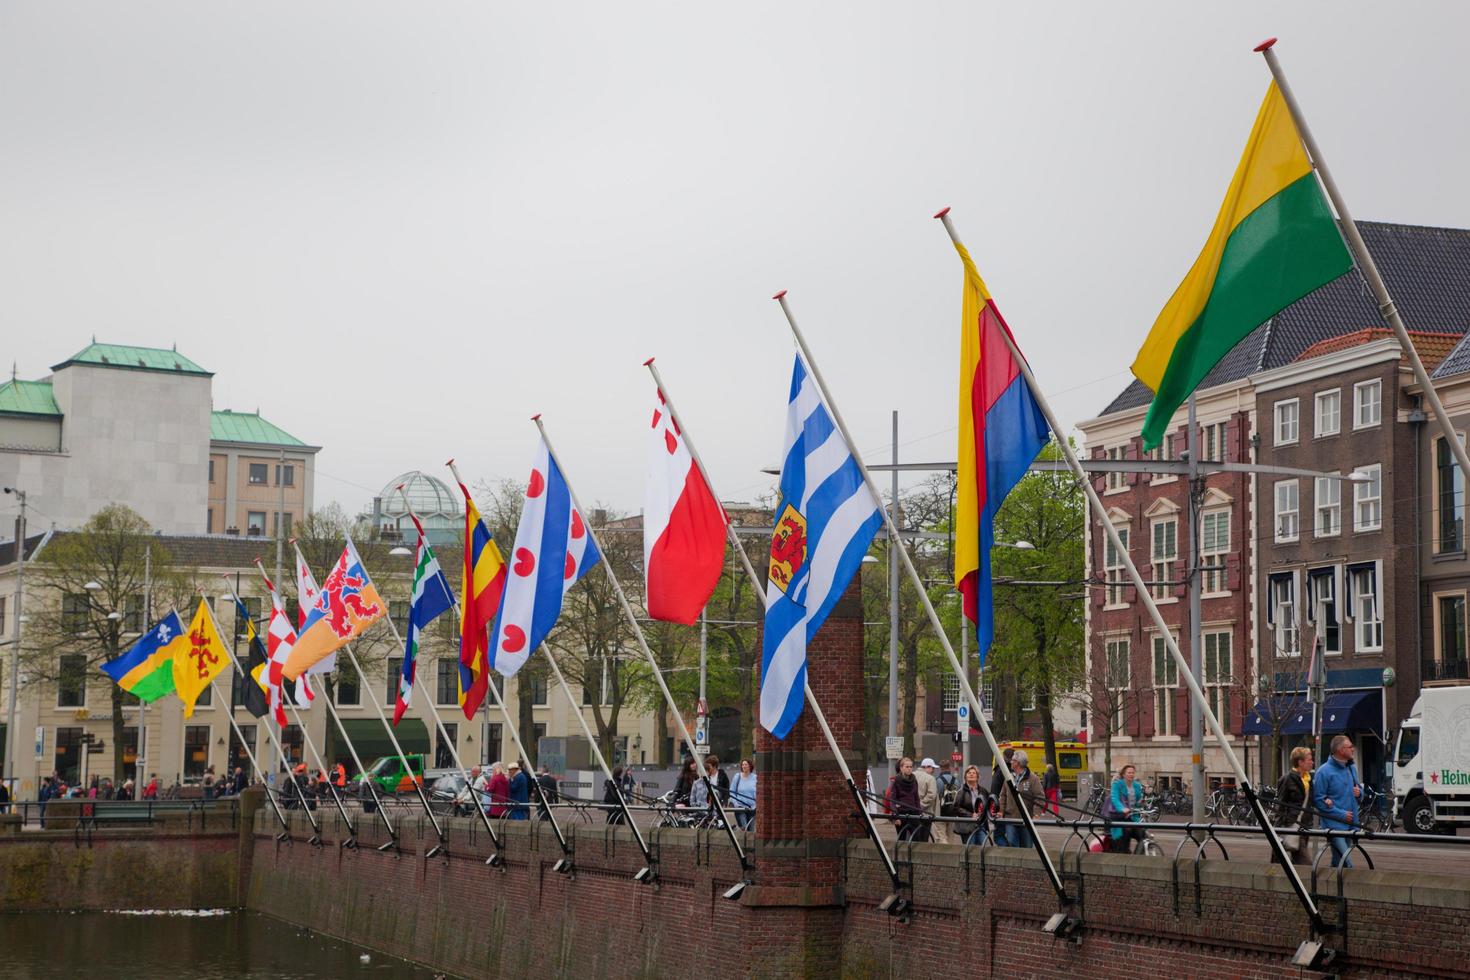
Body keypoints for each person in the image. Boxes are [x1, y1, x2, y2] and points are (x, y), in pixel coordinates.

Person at [1313, 735, 1361, 868]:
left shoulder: (1351, 768)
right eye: (1350, 747)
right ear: (1341, 750)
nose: (1353, 749)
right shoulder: (1323, 772)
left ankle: (1328, 884)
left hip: (1350, 824)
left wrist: (1359, 793)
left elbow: (1359, 791)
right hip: (1334, 825)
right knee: (1347, 861)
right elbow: (1318, 800)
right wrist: (1340, 814)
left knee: (1338, 860)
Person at [1275, 746, 1315, 865]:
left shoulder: (1309, 779)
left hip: (1305, 824)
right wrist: (1278, 828)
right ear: (1300, 762)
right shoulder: (1287, 779)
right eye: (1309, 759)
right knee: (1305, 863)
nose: (1312, 762)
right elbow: (1280, 804)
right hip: (1292, 824)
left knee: (1296, 860)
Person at [999, 750, 1044, 849]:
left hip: (1026, 820)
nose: (1010, 762)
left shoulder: (1033, 779)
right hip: (1010, 818)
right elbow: (1003, 795)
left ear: (1018, 763)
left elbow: (1040, 797)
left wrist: (1036, 814)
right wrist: (1001, 811)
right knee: (1011, 844)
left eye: (1012, 760)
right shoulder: (1008, 777)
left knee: (1026, 846)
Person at [1107, 764, 1146, 853]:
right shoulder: (1117, 784)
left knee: (1143, 835)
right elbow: (1114, 798)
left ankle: (1138, 858)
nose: (1131, 774)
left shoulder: (1136, 785)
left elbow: (1138, 801)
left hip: (1133, 817)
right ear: (1124, 774)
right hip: (1120, 817)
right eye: (1129, 773)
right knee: (1125, 833)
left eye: (1132, 773)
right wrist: (1122, 808)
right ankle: (1124, 856)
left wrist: (1141, 804)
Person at [888, 757, 926, 842]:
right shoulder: (896, 781)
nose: (909, 769)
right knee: (902, 839)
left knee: (917, 838)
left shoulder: (914, 780)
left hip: (913, 813)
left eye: (910, 767)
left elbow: (916, 798)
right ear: (901, 768)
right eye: (907, 767)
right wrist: (896, 816)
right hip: (901, 813)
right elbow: (893, 800)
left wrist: (920, 813)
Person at [955, 764, 990, 846]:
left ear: (977, 777)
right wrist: (971, 815)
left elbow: (988, 805)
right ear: (965, 776)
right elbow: (956, 808)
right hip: (967, 827)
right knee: (970, 850)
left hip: (981, 825)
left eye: (974, 773)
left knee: (984, 849)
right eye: (969, 773)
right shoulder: (961, 792)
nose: (971, 774)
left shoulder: (983, 791)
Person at [915, 757, 939, 843]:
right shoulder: (930, 778)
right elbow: (931, 795)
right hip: (926, 813)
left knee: (913, 837)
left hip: (911, 811)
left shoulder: (912, 775)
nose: (933, 771)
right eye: (932, 768)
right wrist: (921, 805)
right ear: (927, 767)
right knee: (923, 839)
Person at [729, 759, 757, 830]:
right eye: (743, 765)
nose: (744, 766)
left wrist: (756, 804)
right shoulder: (737, 777)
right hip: (740, 807)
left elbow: (758, 792)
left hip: (752, 808)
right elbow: (732, 791)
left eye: (746, 764)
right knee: (744, 828)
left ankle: (749, 841)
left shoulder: (755, 778)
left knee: (751, 830)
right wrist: (736, 804)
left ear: (750, 766)